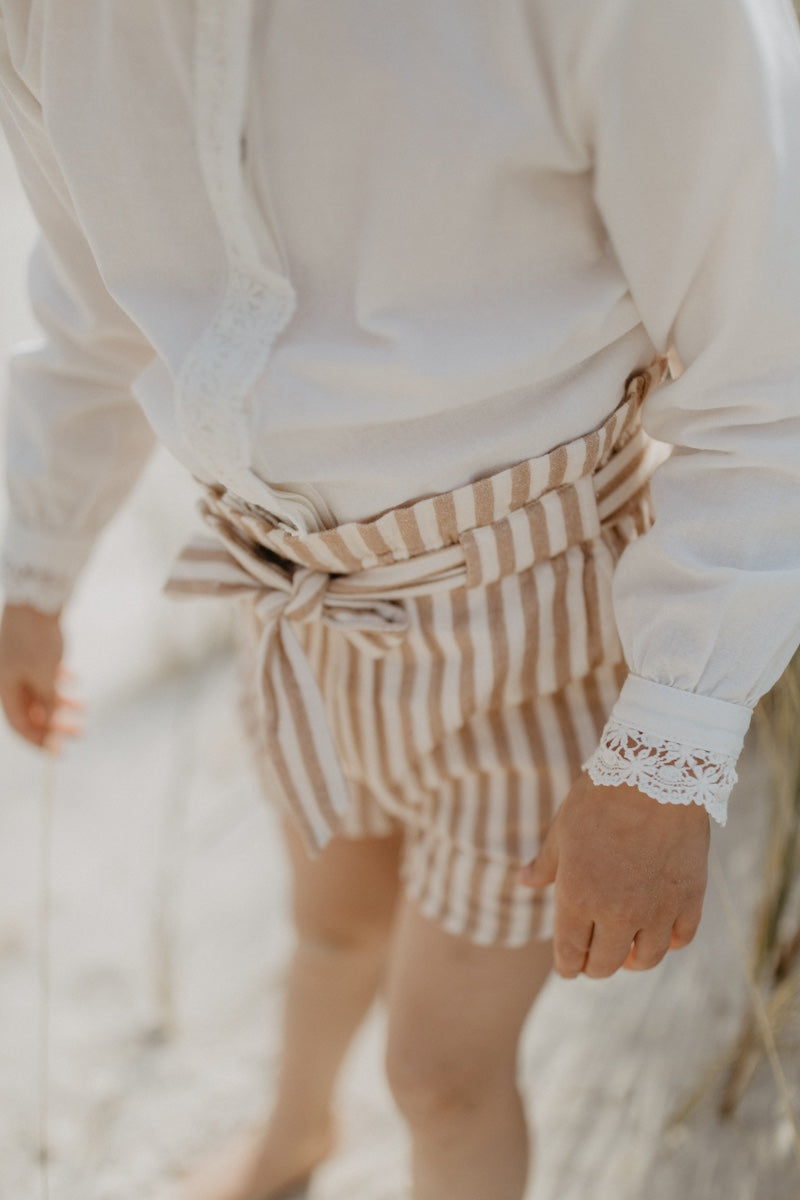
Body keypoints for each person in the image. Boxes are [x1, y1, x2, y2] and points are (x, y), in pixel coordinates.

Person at [1, 3, 799, 1198]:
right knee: (329, 925)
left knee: (441, 1067)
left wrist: (667, 746)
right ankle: (297, 1135)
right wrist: (32, 565)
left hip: (538, 644)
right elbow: (92, 299)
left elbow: (767, 377)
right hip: (296, 620)